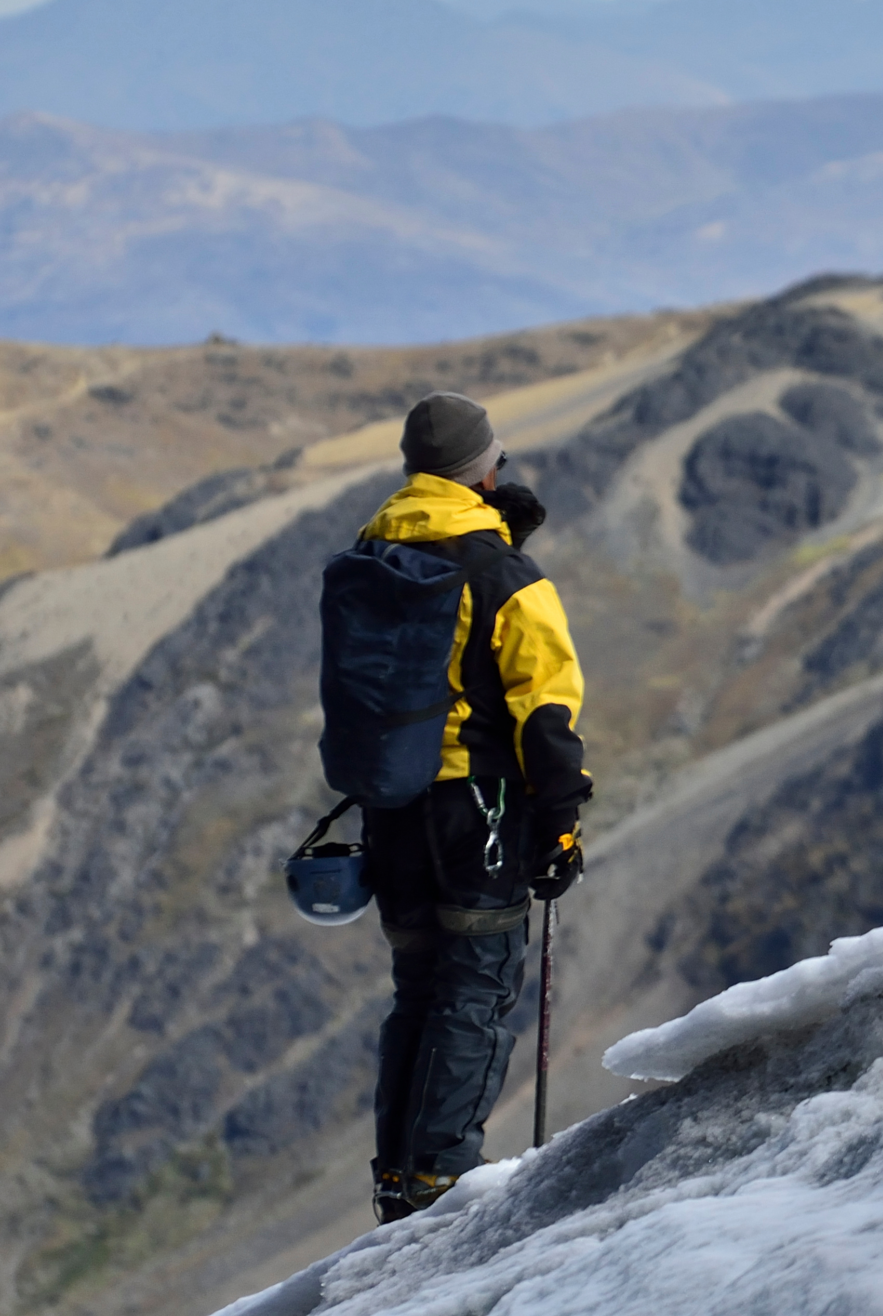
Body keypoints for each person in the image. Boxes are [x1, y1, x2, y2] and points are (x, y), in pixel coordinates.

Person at [360, 392, 592, 1223]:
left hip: (391, 805)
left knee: (418, 984)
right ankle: (441, 1179)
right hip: (477, 809)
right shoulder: (504, 576)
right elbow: (548, 714)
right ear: (483, 470)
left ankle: (397, 1175)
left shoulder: (376, 552)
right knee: (477, 986)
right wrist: (559, 825)